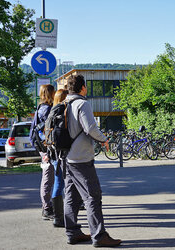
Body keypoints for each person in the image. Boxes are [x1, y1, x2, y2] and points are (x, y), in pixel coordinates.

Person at [63, 74, 121, 247]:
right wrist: (103, 139)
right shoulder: (82, 104)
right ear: (82, 88)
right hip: (81, 158)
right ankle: (99, 236)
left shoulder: (63, 104)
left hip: (66, 158)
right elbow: (90, 128)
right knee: (92, 196)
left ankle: (72, 233)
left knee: (71, 196)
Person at [30, 84, 55, 220]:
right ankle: (46, 208)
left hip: (43, 147)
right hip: (46, 148)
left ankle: (47, 206)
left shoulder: (41, 107)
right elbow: (48, 131)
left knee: (48, 176)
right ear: (50, 93)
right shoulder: (46, 110)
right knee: (48, 176)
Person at [48, 89, 68, 227]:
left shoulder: (52, 111)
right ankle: (59, 218)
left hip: (53, 153)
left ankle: (57, 217)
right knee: (62, 183)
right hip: (62, 153)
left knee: (58, 183)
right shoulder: (63, 111)